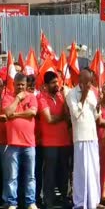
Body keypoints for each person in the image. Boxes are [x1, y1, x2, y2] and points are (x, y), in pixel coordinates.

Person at [66, 68, 101, 209]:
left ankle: (93, 201)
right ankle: (80, 203)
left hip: (92, 136)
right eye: (88, 82)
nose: (90, 85)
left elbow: (96, 116)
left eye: (91, 82)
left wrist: (99, 104)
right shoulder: (71, 94)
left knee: (93, 170)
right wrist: (84, 95)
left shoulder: (92, 93)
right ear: (81, 81)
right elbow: (75, 114)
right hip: (80, 138)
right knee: (82, 171)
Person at [2, 73, 38, 209]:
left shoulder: (32, 97)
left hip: (29, 143)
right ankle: (12, 203)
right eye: (18, 84)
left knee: (31, 176)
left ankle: (31, 202)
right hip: (12, 143)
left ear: (26, 85)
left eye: (23, 84)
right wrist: (17, 98)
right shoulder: (8, 97)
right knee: (12, 177)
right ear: (14, 84)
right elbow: (7, 112)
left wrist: (15, 115)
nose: (21, 87)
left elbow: (32, 113)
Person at [37, 71, 72, 208]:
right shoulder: (41, 98)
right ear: (45, 85)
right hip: (50, 143)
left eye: (57, 82)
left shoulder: (62, 97)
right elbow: (49, 119)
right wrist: (62, 117)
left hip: (64, 141)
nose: (56, 85)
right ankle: (49, 201)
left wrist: (65, 99)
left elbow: (69, 116)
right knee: (49, 173)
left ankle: (64, 198)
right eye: (53, 83)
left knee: (64, 172)